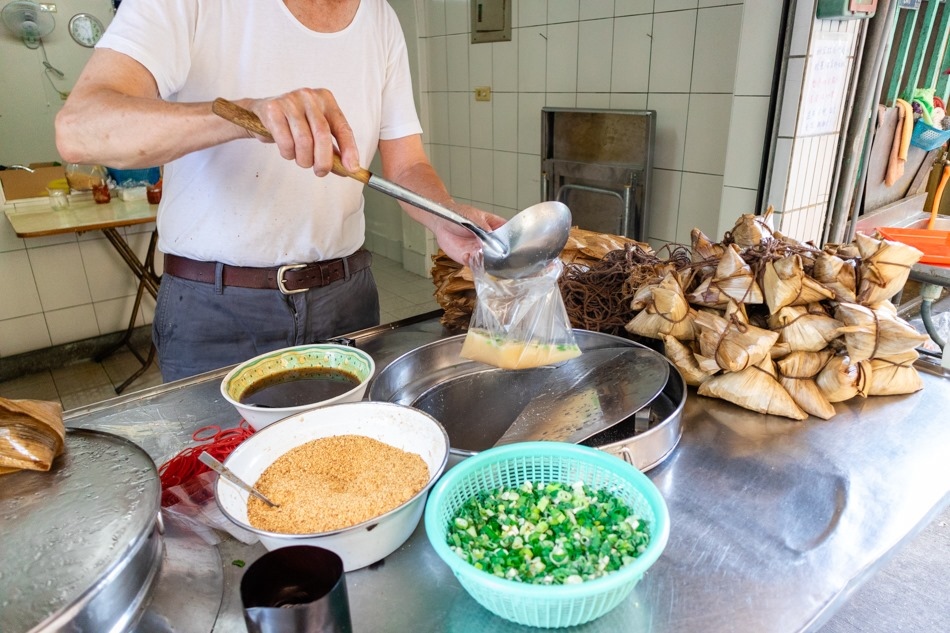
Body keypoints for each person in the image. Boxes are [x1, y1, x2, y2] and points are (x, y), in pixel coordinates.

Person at [55, 0, 505, 382]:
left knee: (350, 468)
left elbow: (407, 163)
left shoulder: (381, 18)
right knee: (218, 477)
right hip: (216, 308)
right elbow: (80, 129)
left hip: (347, 298)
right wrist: (241, 115)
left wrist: (446, 215)